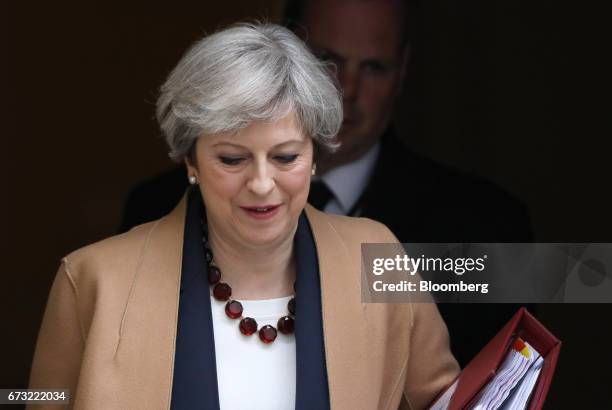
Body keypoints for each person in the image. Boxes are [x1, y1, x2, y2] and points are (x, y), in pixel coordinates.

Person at [29, 23, 458, 409]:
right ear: (190, 161)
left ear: (313, 156)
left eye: (285, 156)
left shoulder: (376, 254)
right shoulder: (91, 278)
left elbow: (450, 401)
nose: (262, 183)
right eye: (233, 159)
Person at [119, 0, 533, 367]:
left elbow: (506, 378)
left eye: (374, 67)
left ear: (403, 71)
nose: (347, 89)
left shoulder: (487, 223)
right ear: (281, 57)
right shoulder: (153, 209)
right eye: (326, 61)